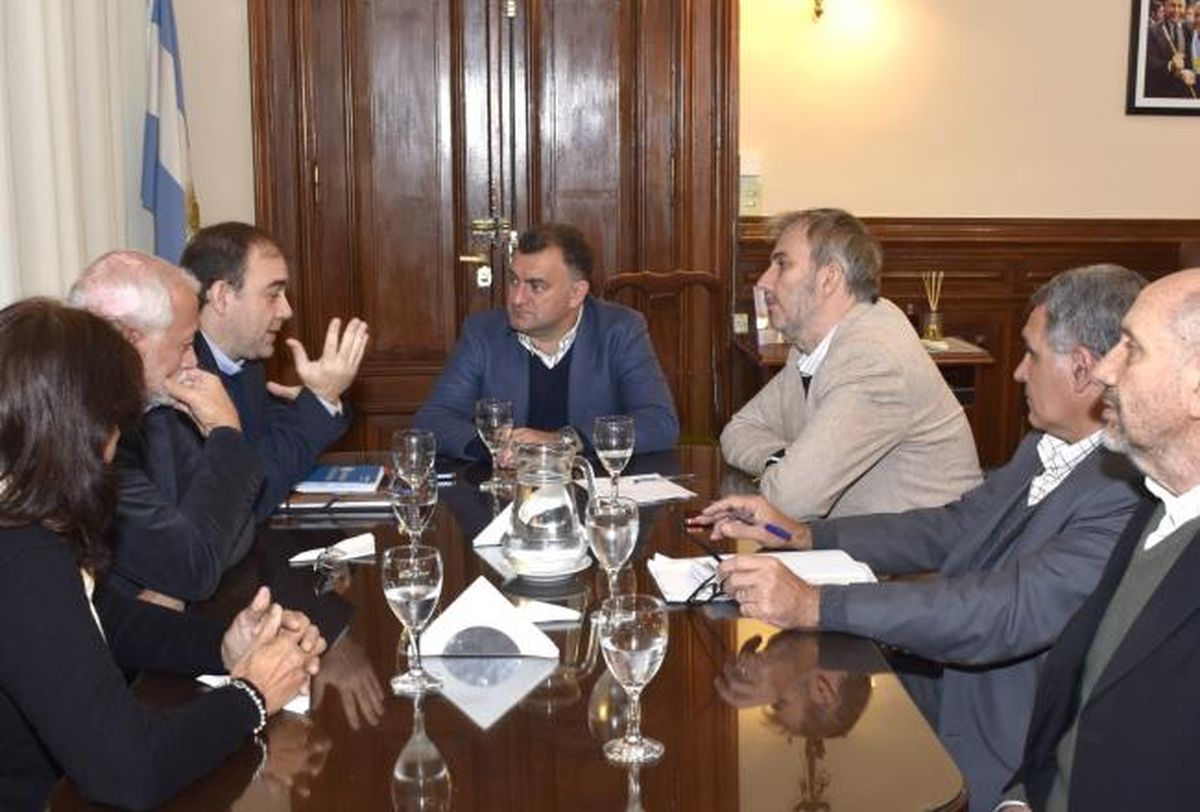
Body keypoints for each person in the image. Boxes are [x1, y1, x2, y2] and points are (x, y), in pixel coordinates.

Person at [694, 265, 1151, 810]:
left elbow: (1003, 612)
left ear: (1081, 369)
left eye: (1031, 355)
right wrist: (805, 535)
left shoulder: (1127, 491)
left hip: (1004, 750)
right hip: (937, 685)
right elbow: (953, 526)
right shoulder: (1047, 445)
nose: (1018, 373)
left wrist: (816, 603)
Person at [0, 298, 325, 810]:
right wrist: (252, 695)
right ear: (86, 429)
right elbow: (129, 770)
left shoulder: (22, 523)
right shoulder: (23, 557)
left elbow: (109, 622)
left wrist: (226, 645)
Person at [1000, 268, 1200, 811]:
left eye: (1131, 349)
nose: (1105, 370)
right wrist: (1020, 798)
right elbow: (1077, 701)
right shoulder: (1155, 499)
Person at [720, 208, 981, 520]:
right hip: (859, 540)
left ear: (829, 278)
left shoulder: (873, 359)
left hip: (923, 548)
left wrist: (791, 468)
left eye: (782, 264)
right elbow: (738, 430)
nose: (763, 281)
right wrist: (782, 459)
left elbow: (791, 500)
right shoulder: (809, 346)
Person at [69, 251, 264, 605]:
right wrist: (225, 433)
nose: (193, 361)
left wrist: (187, 567)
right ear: (130, 341)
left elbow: (236, 532)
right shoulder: (80, 441)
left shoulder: (157, 415)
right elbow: (194, 568)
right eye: (186, 345)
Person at [414, 222, 679, 459]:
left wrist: (565, 441)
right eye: (514, 281)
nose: (517, 298)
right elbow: (434, 419)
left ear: (576, 293)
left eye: (536, 286)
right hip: (509, 491)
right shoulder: (482, 333)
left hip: (588, 490)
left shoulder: (619, 330)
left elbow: (659, 422)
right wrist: (497, 448)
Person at [180, 222, 370, 519]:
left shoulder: (248, 364)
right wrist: (320, 400)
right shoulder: (183, 376)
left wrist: (320, 399)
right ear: (222, 296)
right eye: (273, 294)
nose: (286, 310)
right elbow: (248, 497)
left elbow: (269, 439)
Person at [1145, 0, 1196, 98]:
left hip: (1186, 91)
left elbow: (1196, 58)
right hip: (1163, 91)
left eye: (1180, 6)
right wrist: (1171, 65)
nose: (1176, 10)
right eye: (1172, 6)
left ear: (1185, 8)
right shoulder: (1152, 31)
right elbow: (1150, 63)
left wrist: (1194, 73)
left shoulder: (1191, 30)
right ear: (1165, 6)